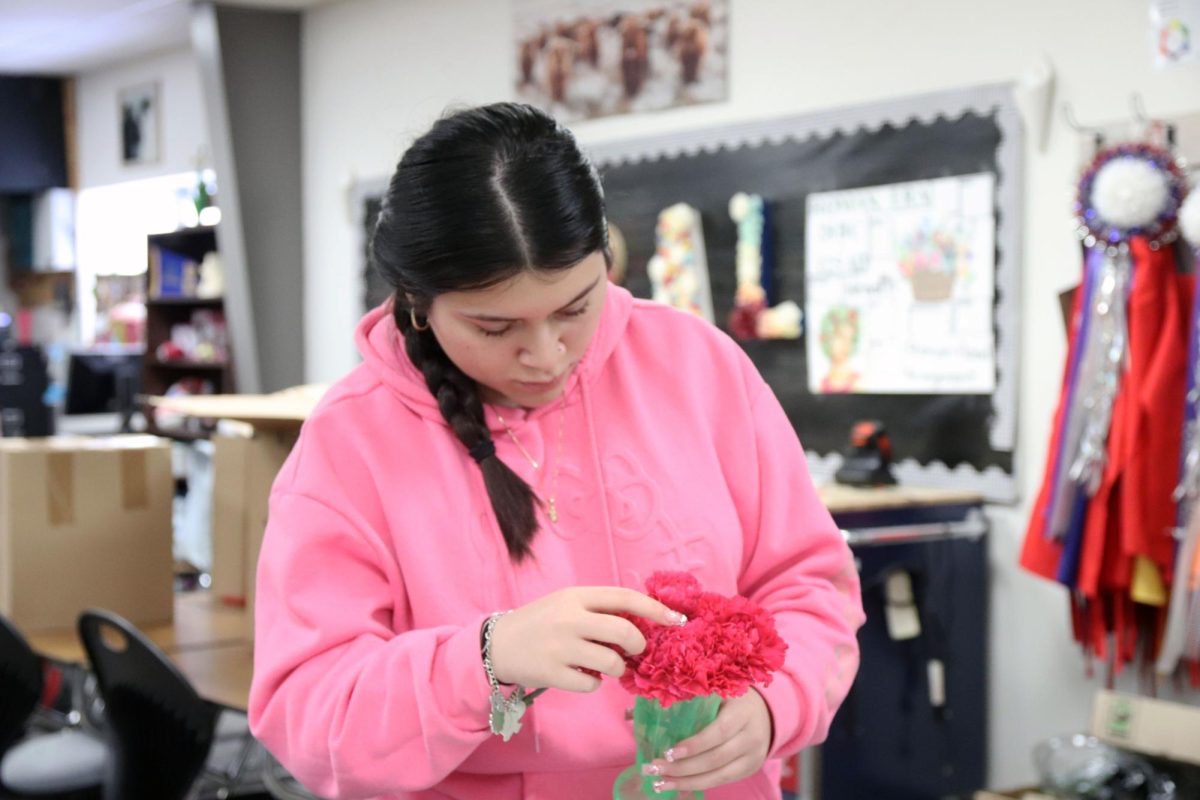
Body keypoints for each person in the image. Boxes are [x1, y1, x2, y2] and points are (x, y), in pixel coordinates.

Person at [248, 102, 864, 799]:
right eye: (495, 326)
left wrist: (777, 704)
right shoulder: (352, 441)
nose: (545, 356)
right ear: (419, 302)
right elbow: (308, 717)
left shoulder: (698, 367)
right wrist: (483, 661)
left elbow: (813, 585)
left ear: (606, 258)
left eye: (575, 307)